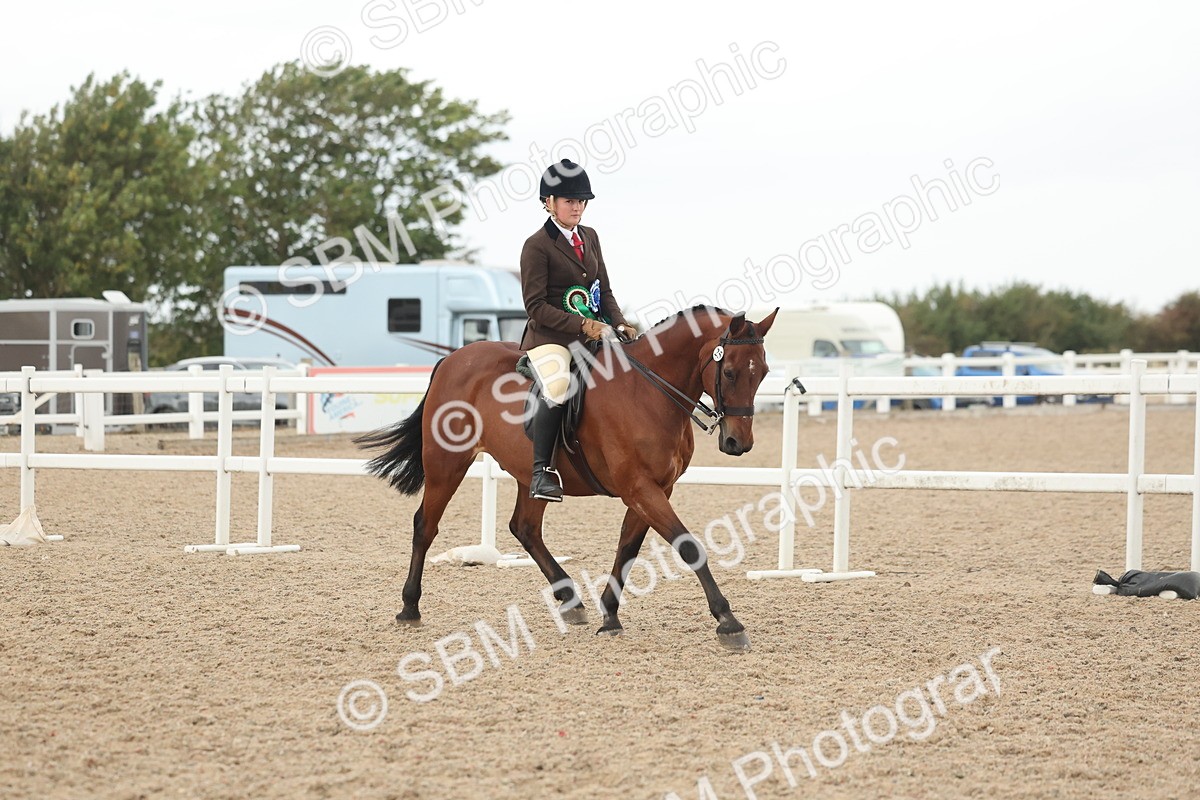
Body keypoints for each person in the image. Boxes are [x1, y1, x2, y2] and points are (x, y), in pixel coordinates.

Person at [518, 159, 637, 502]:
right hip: (550, 339)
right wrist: (584, 324)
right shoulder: (537, 245)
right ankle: (541, 472)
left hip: (594, 336)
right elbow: (536, 307)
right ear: (549, 202)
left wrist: (620, 323)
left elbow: (604, 291)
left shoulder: (590, 237)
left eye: (581, 201)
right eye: (570, 200)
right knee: (558, 385)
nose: (577, 207)